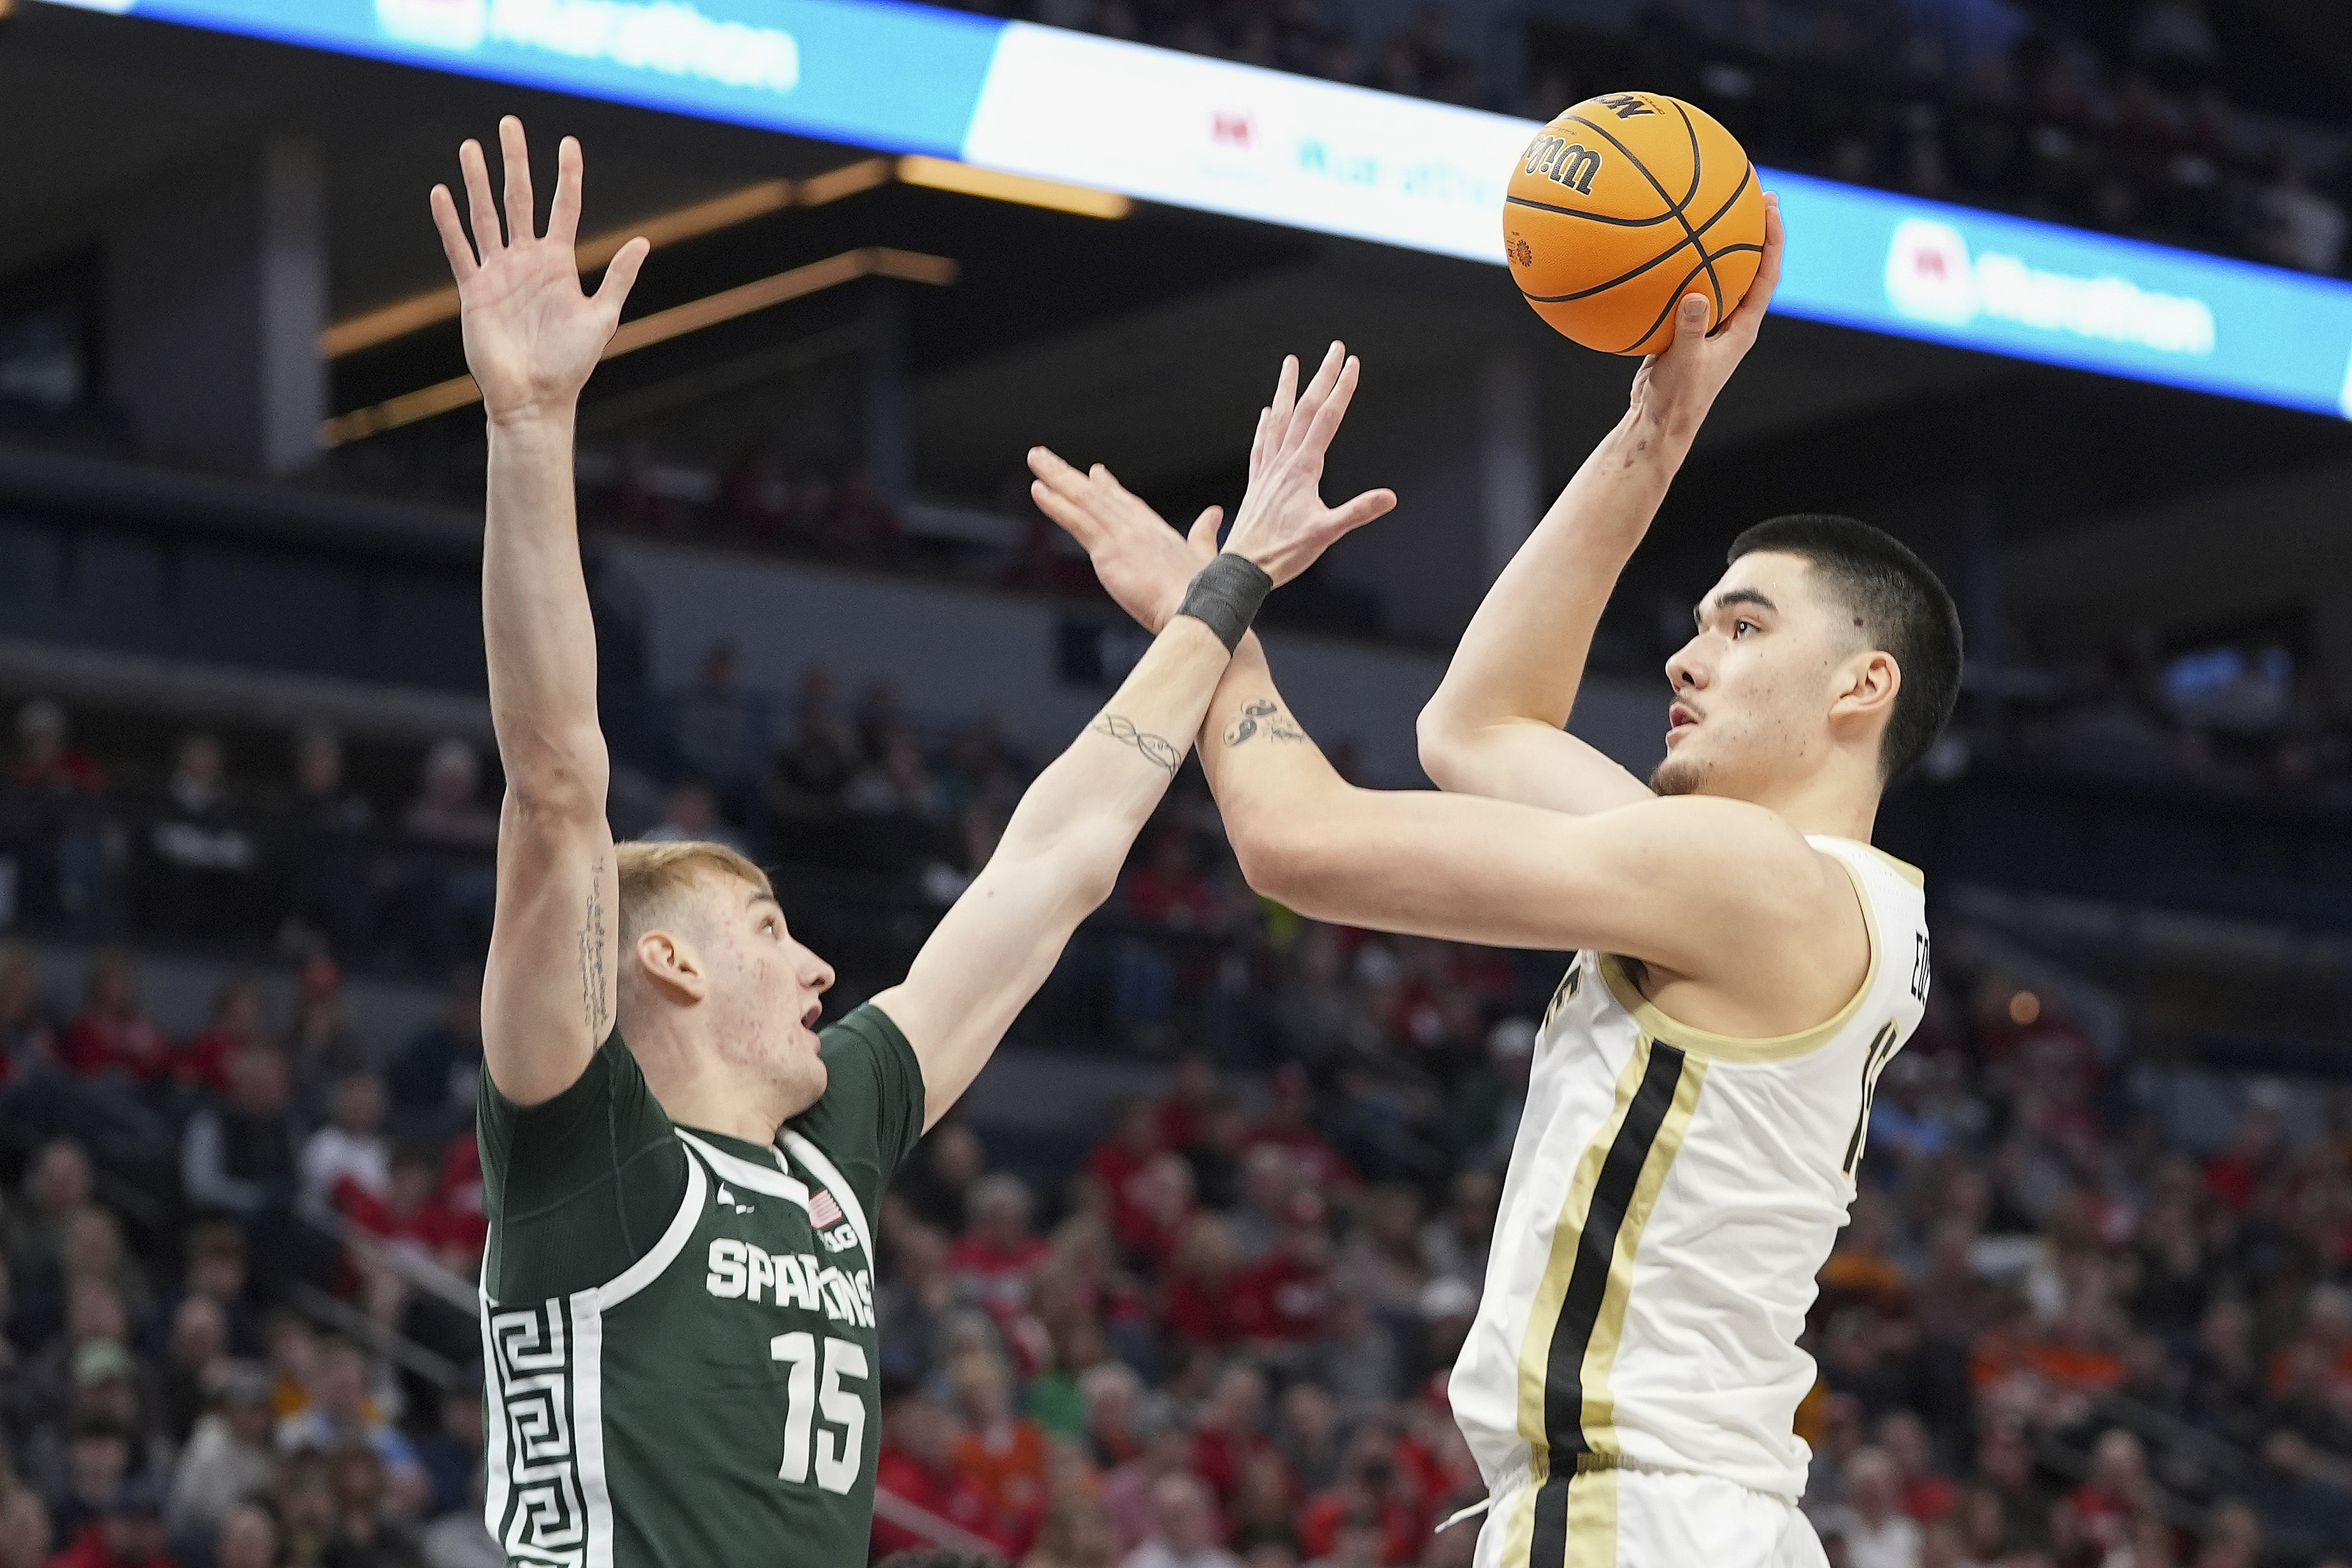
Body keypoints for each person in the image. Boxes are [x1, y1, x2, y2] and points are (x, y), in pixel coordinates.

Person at [426, 117, 1388, 1568]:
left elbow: (1050, 865)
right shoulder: (590, 1150)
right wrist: (529, 429)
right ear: (667, 962)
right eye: (769, 932)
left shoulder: (826, 1150)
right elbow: (559, 777)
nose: (821, 968)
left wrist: (1223, 593)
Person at [1036, 199, 1958, 1568]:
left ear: (1861, 686)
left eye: (1744, 625)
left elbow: (1298, 843)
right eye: (1697, 624)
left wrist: (1213, 614)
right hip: (1691, 1516)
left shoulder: (1743, 875)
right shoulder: (1804, 891)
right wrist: (1654, 432)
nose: (1686, 659)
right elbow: (1475, 730)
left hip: (1634, 1517)